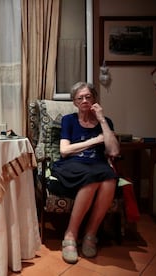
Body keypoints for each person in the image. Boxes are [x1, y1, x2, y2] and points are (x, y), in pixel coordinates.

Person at [49, 81, 120, 264]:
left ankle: (91, 234)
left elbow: (113, 151)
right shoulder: (69, 120)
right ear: (74, 102)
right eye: (80, 98)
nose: (85, 100)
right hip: (72, 164)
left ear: (95, 99)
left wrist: (102, 120)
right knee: (93, 177)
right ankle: (70, 235)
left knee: (110, 178)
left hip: (97, 164)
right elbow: (64, 150)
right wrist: (95, 140)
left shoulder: (106, 122)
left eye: (88, 97)